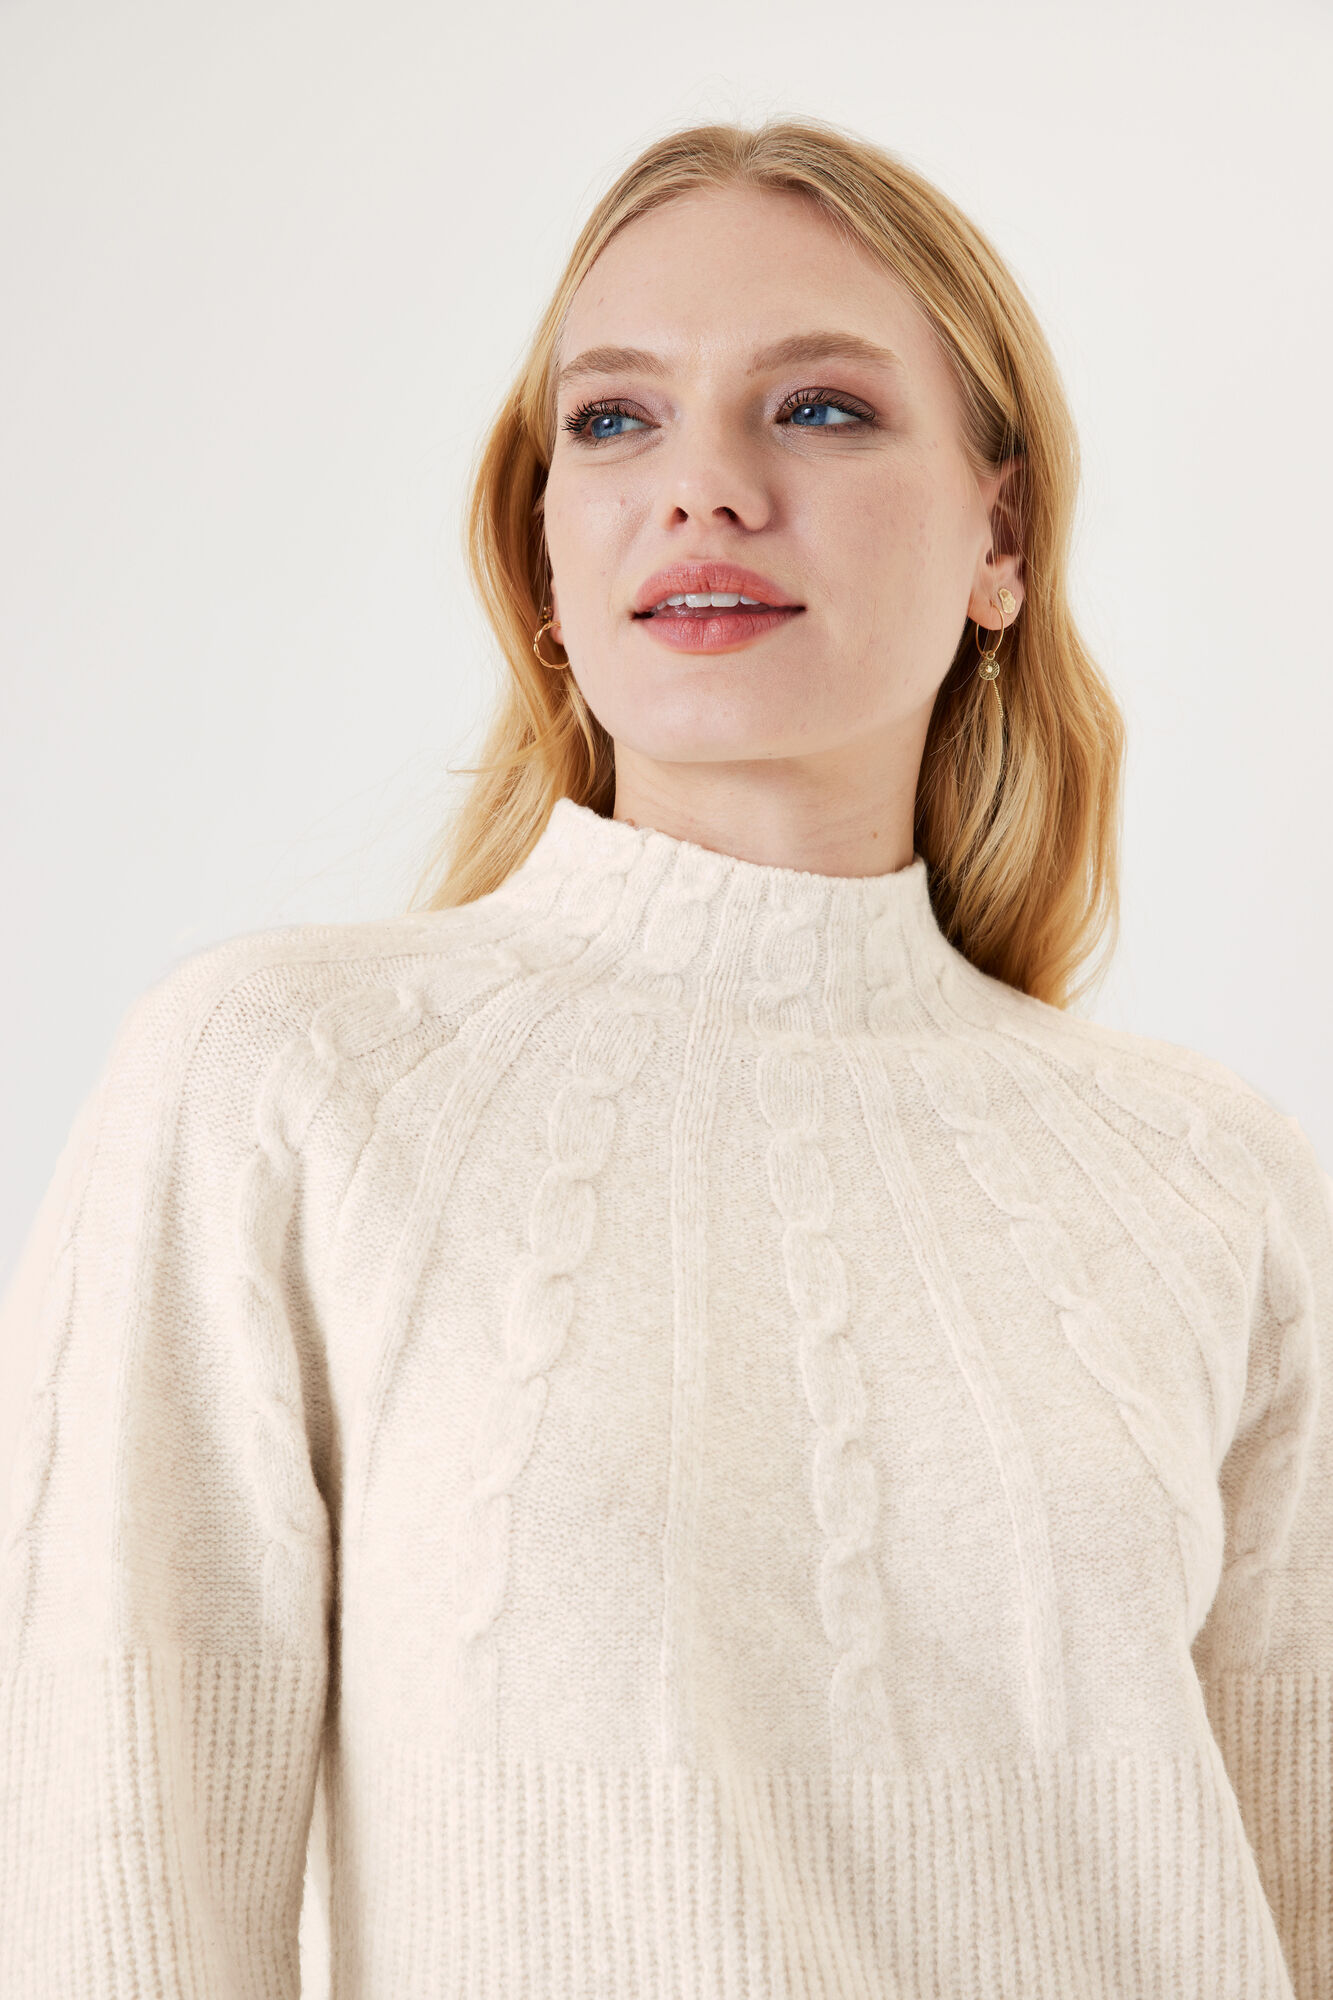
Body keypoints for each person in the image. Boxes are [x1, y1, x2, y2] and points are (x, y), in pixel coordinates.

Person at [1, 113, 1330, 2000]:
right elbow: (110, 1879)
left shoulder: (1211, 1173)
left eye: (819, 410)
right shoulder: (277, 1083)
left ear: (1000, 539)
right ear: (544, 559)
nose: (700, 489)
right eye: (614, 421)